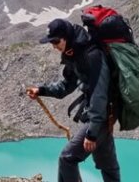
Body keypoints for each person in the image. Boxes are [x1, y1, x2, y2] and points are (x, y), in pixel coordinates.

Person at [26, 18, 120, 182]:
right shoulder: (74, 53)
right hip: (104, 115)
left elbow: (99, 93)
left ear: (66, 37)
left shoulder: (92, 54)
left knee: (67, 158)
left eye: (56, 41)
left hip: (101, 115)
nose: (54, 46)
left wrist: (92, 133)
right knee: (108, 167)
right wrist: (41, 90)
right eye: (51, 42)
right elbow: (66, 86)